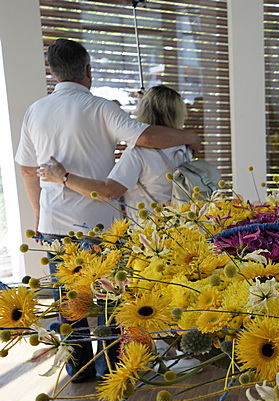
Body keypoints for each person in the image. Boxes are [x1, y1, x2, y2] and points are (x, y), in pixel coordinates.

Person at [15, 39, 201, 382]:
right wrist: (188, 135)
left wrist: (39, 216)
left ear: (53, 72)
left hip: (55, 222)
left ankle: (77, 370)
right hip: (101, 225)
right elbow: (145, 138)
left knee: (69, 300)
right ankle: (110, 371)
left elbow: (27, 170)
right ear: (88, 70)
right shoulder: (99, 107)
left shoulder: (34, 111)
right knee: (108, 301)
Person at [38, 85, 190, 222]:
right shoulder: (184, 149)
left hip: (151, 233)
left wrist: (63, 177)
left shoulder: (138, 153)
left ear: (144, 111)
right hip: (182, 230)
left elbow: (109, 192)